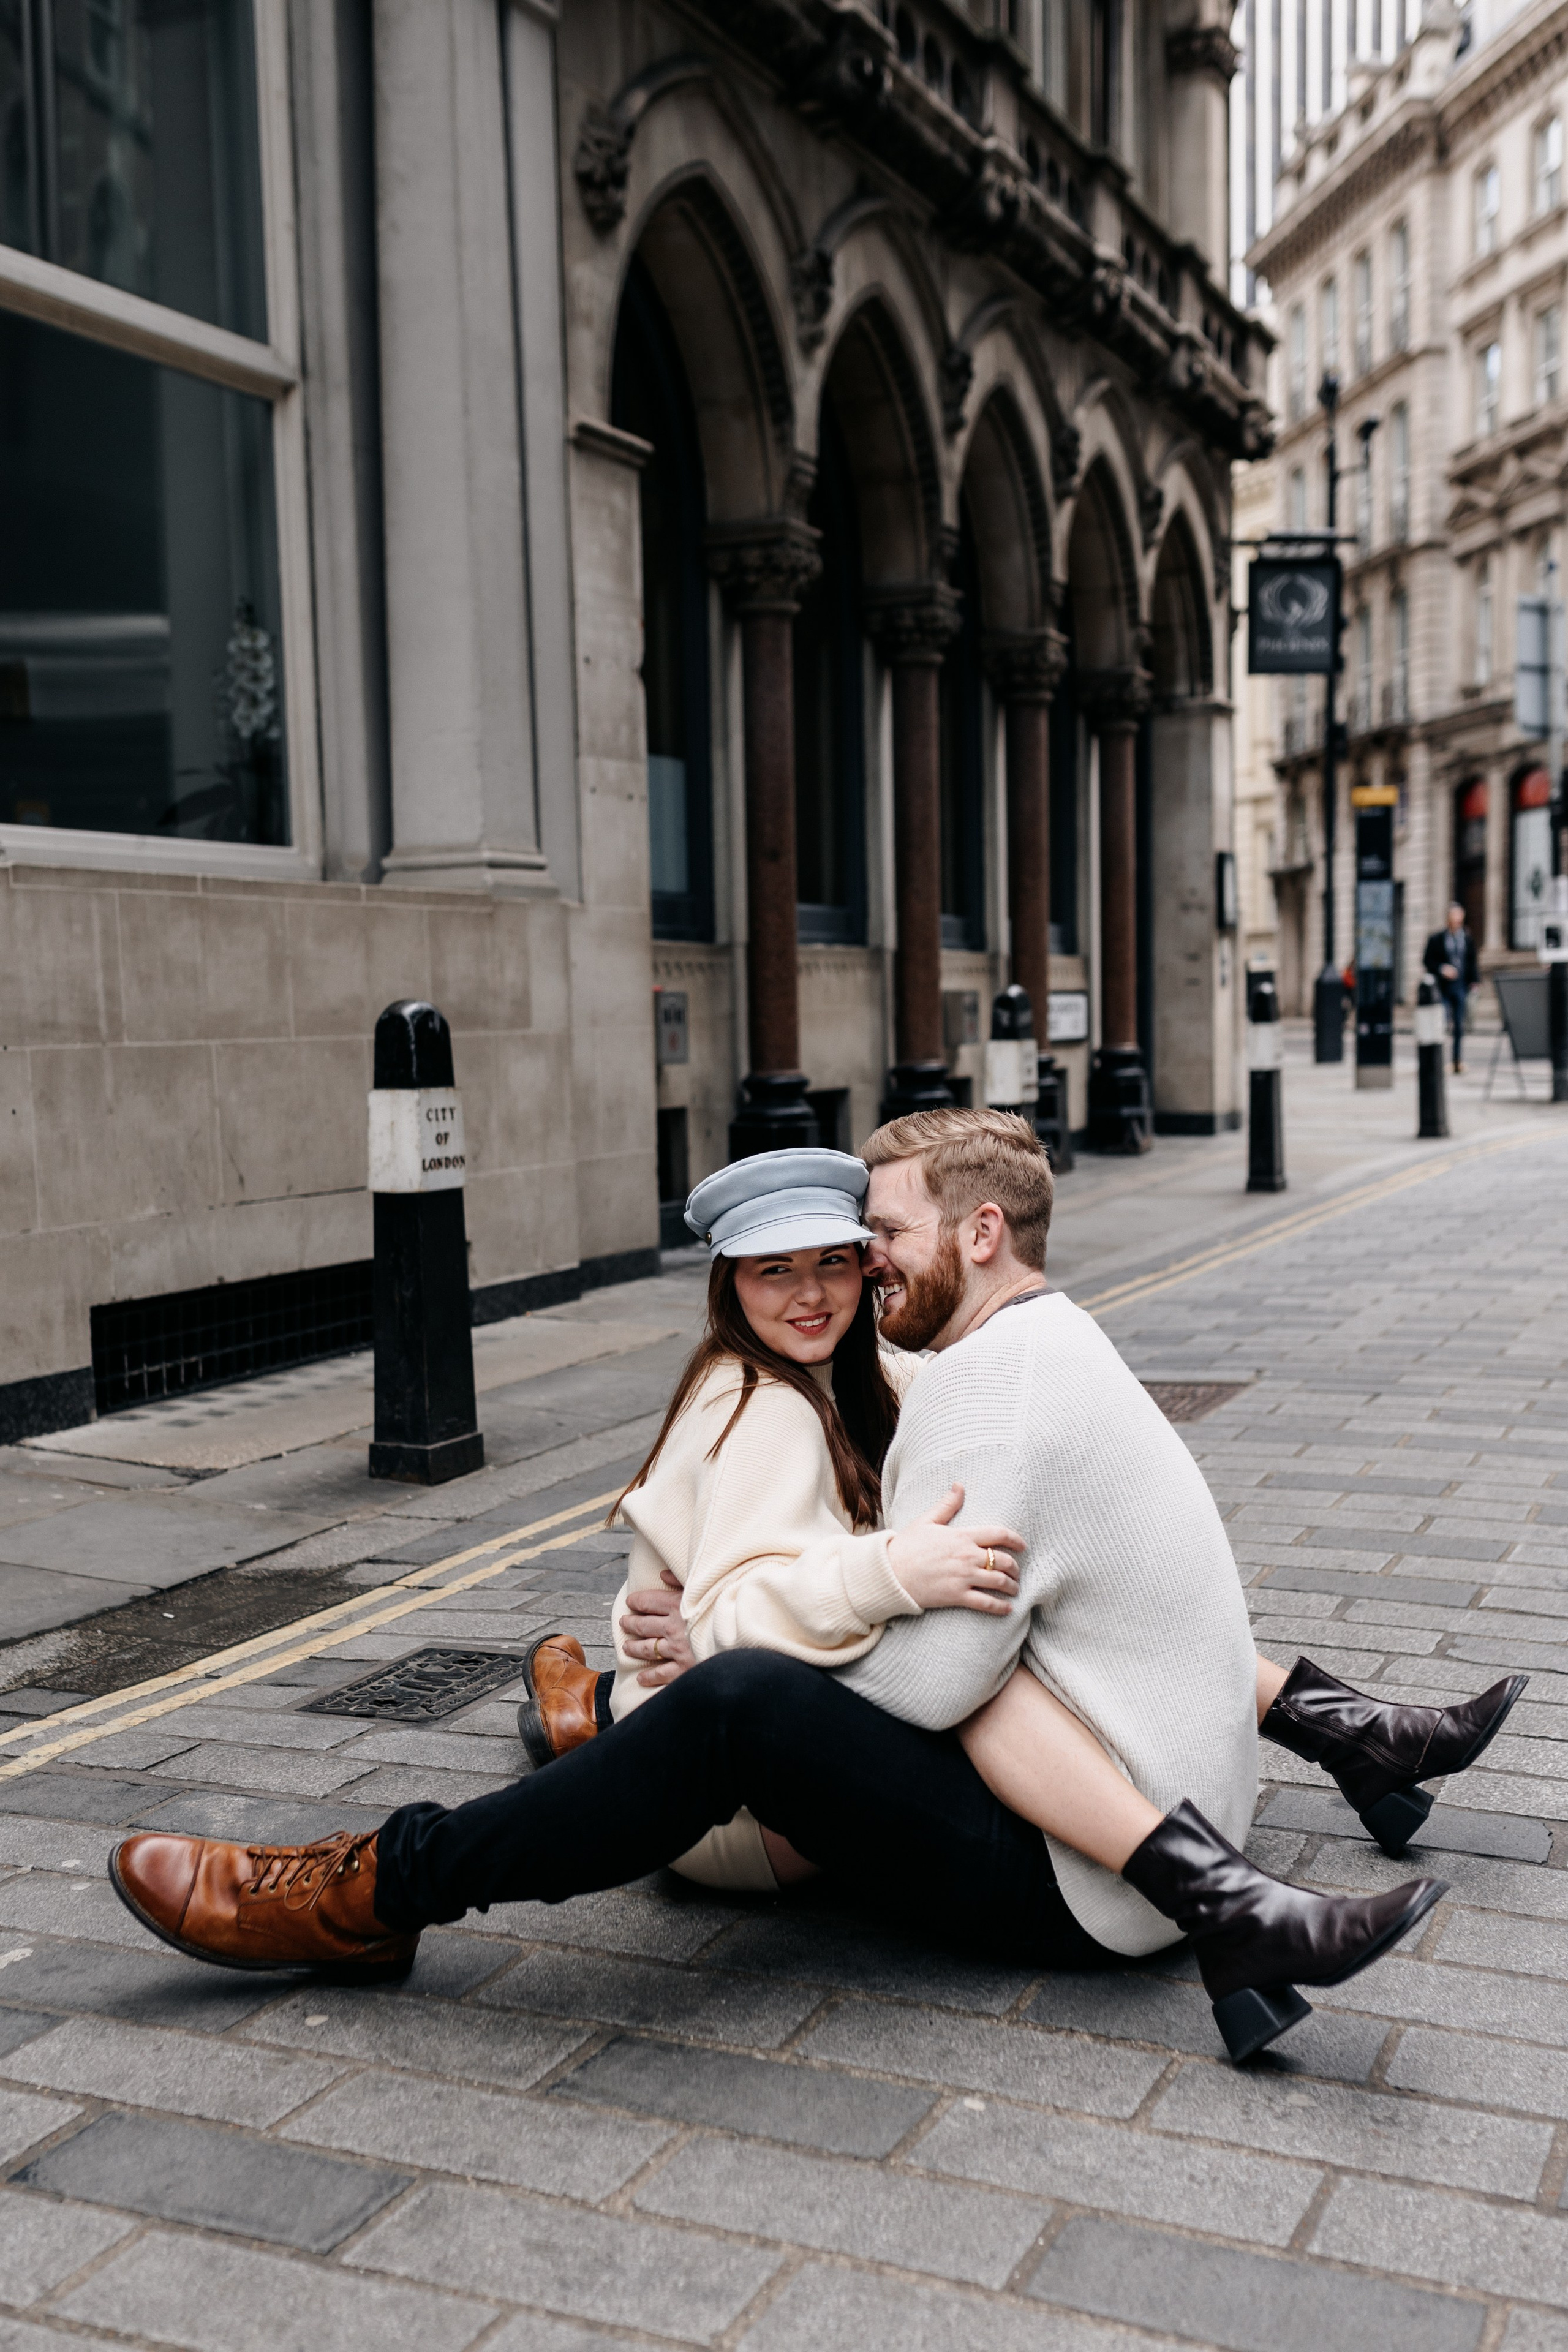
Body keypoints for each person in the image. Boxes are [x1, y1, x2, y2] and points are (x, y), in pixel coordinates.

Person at [107, 1118, 1523, 2063]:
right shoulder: (976, 1353)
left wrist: (839, 1616)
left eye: (857, 1248)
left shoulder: (941, 1379)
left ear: (964, 1238)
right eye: (779, 1269)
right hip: (1129, 1816)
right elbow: (795, 1622)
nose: (838, 1280)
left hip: (1086, 1885)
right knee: (769, 1689)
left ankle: (373, 1888)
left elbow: (933, 1682)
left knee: (784, 1695)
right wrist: (861, 1589)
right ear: (729, 1286)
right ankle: (466, 1811)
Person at [1424, 899, 1480, 1073]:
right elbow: (1427, 961)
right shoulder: (1437, 939)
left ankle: (1457, 1060)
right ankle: (1438, 1060)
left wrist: (1475, 983)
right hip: (1443, 988)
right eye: (1453, 916)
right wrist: (1442, 969)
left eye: (1459, 916)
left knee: (1459, 1026)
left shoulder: (1467, 938)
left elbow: (1472, 962)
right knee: (1442, 1024)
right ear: (1448, 918)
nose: (1456, 920)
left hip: (1461, 987)